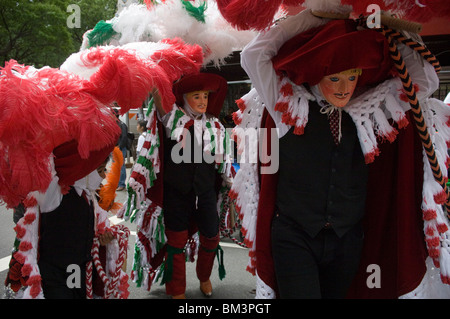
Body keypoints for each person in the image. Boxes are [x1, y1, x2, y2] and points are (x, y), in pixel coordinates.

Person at [232, 6, 446, 299]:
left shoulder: (371, 113)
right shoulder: (288, 106)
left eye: (353, 75)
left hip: (348, 239)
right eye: (335, 78)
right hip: (294, 236)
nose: (345, 88)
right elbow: (253, 55)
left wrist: (393, 28)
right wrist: (319, 15)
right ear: (318, 73)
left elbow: (425, 80)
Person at [115, 109, 129, 191]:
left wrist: (119, 147)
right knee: (116, 167)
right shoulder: (115, 124)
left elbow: (124, 138)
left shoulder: (122, 125)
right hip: (114, 148)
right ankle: (117, 183)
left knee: (121, 167)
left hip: (120, 148)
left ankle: (121, 184)